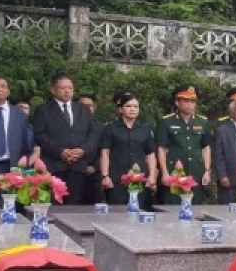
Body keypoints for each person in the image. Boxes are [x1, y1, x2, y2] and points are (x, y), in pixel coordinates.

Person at [32, 73, 97, 205]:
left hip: (78, 165)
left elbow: (93, 134)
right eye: (62, 88)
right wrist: (60, 152)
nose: (67, 91)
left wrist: (82, 150)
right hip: (54, 165)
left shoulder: (83, 110)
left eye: (70, 88)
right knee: (54, 204)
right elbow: (40, 135)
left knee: (74, 205)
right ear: (53, 90)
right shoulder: (43, 110)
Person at [99, 92, 158, 209]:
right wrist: (105, 176)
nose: (132, 109)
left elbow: (151, 154)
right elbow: (105, 153)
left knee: (140, 210)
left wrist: (152, 175)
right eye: (128, 106)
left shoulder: (145, 129)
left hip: (140, 179)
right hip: (117, 179)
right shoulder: (110, 128)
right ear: (121, 109)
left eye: (135, 106)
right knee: (117, 212)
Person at [156, 84, 212, 204]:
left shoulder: (202, 121)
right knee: (172, 205)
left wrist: (207, 171)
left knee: (194, 205)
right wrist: (164, 172)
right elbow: (162, 149)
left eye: (192, 101)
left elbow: (206, 148)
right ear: (177, 103)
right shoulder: (166, 122)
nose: (189, 104)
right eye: (186, 101)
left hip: (195, 171)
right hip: (174, 172)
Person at [76, 93, 104, 204]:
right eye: (82, 106)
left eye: (89, 106)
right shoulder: (70, 126)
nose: (86, 109)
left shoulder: (101, 127)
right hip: (74, 171)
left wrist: (95, 167)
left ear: (94, 107)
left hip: (95, 175)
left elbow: (105, 150)